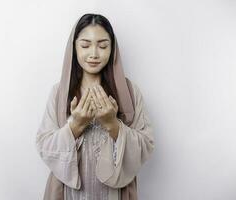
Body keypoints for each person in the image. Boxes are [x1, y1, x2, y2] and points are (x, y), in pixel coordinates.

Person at [36, 13, 155, 200]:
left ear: (112, 49)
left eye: (102, 46)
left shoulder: (129, 92)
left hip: (115, 193)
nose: (93, 54)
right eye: (85, 45)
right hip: (69, 194)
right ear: (74, 47)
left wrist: (112, 125)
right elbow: (44, 145)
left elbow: (146, 146)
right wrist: (75, 125)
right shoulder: (59, 93)